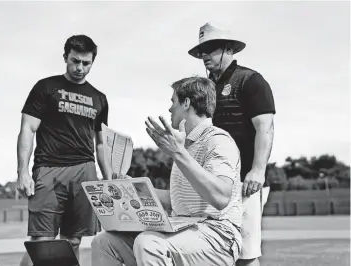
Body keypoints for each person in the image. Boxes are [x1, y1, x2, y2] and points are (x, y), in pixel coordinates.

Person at [91, 76, 243, 266]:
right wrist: (131, 187)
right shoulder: (184, 145)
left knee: (148, 243)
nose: (170, 108)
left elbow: (221, 197)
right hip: (185, 229)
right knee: (104, 242)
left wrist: (178, 153)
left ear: (186, 103)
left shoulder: (218, 140)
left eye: (173, 101)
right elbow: (177, 200)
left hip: (219, 236)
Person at [16, 34, 111, 266]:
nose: (80, 67)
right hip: (49, 169)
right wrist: (22, 171)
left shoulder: (99, 98)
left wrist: (108, 180)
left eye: (86, 63)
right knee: (42, 241)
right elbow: (27, 129)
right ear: (65, 57)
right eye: (75, 61)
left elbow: (101, 143)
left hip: (85, 171)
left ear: (92, 62)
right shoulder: (46, 87)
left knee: (74, 241)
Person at [188, 22, 276, 266]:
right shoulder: (207, 88)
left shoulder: (250, 80)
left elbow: (265, 128)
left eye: (211, 49)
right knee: (215, 252)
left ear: (228, 49)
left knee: (245, 255)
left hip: (244, 182)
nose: (205, 55)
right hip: (214, 182)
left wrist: (258, 170)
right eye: (202, 51)